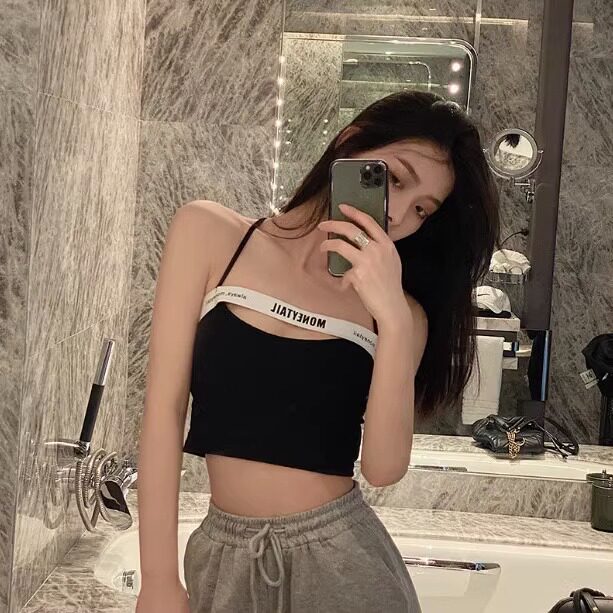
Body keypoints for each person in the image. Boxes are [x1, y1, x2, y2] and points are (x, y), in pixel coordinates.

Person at [135, 90, 501, 613]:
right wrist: (157, 579)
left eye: (422, 208)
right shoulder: (210, 233)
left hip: (343, 565)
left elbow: (383, 468)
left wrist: (394, 319)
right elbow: (163, 412)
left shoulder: (402, 315)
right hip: (223, 556)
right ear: (350, 146)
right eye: (396, 179)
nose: (399, 213)